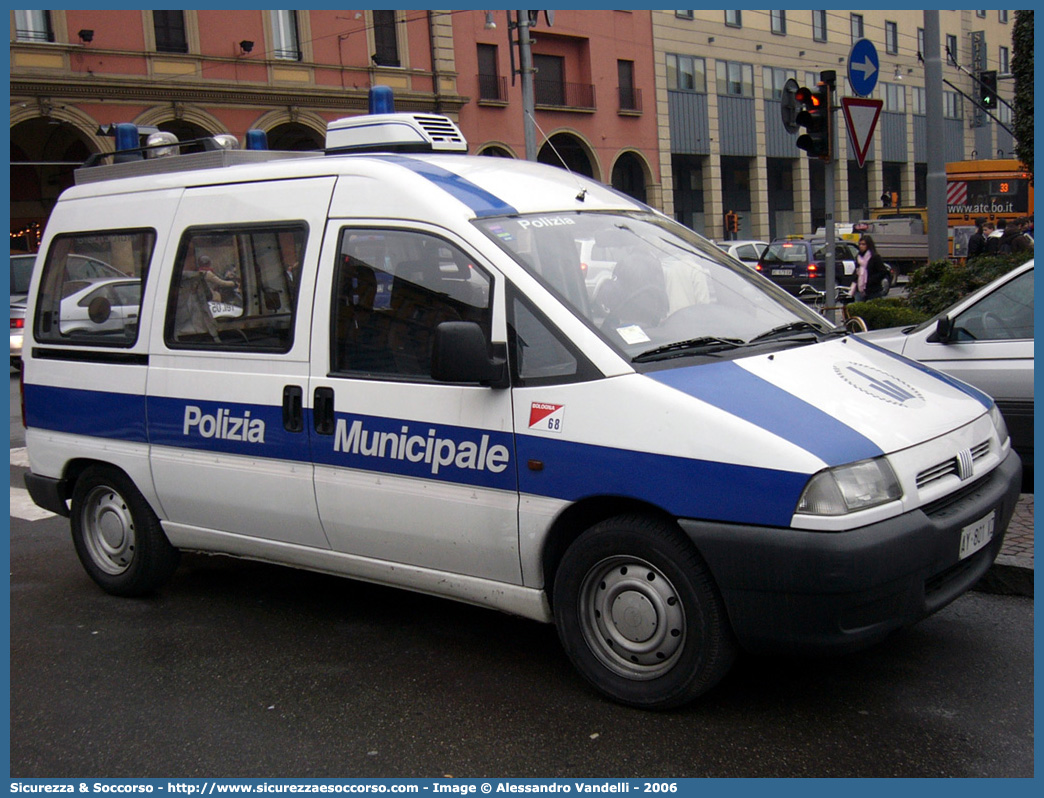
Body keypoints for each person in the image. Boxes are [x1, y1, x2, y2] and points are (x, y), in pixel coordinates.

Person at [851, 236, 889, 302]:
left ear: (868, 245)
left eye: (863, 244)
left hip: (873, 289)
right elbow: (857, 270)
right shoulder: (858, 257)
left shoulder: (875, 257)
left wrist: (871, 279)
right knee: (858, 308)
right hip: (860, 288)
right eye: (860, 244)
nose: (861, 246)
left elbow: (883, 272)